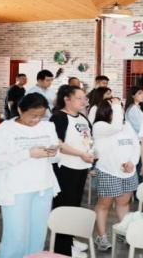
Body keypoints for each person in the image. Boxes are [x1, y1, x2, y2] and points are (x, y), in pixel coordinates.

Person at [0, 93, 60, 258]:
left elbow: (56, 158)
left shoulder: (48, 127)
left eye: (41, 116)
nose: (37, 120)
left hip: (43, 187)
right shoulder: (4, 130)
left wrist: (53, 153)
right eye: (33, 115)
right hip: (16, 190)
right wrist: (28, 153)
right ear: (20, 110)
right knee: (15, 238)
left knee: (38, 236)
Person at [49, 85, 93, 255]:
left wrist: (90, 154)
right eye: (79, 98)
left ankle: (70, 241)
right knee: (64, 208)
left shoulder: (82, 117)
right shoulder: (58, 117)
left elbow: (87, 139)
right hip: (66, 168)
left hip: (81, 166)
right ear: (67, 99)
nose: (83, 101)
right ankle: (62, 249)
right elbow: (58, 143)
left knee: (74, 206)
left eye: (84, 98)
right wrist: (80, 154)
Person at [91, 98, 140, 251]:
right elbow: (116, 127)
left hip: (128, 171)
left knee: (124, 203)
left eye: (121, 108)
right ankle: (101, 237)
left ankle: (122, 232)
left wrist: (132, 162)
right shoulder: (99, 126)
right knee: (104, 205)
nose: (121, 110)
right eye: (118, 108)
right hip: (108, 171)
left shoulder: (127, 125)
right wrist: (117, 105)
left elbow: (135, 145)